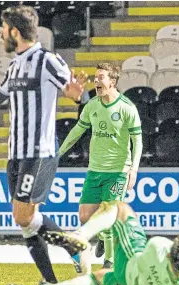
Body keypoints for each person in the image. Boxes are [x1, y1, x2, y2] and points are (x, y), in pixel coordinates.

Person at [0, 5, 88, 283]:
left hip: (39, 152)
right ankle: (51, 282)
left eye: (4, 30)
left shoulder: (48, 60)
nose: (1, 35)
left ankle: (72, 245)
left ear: (15, 32)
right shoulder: (15, 65)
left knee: (22, 216)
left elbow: (76, 93)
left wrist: (79, 97)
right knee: (27, 224)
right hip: (15, 153)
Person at [4, 201, 179, 285]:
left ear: (170, 254)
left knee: (120, 209)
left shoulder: (159, 247)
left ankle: (82, 235)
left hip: (130, 266)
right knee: (97, 279)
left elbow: (172, 249)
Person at [58, 63, 143, 269]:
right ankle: (104, 239)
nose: (96, 81)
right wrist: (57, 154)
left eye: (101, 77)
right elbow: (77, 131)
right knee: (85, 216)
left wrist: (133, 169)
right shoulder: (92, 106)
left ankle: (109, 263)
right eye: (95, 78)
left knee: (109, 214)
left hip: (118, 171)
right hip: (95, 170)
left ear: (112, 82)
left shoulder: (127, 107)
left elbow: (137, 140)